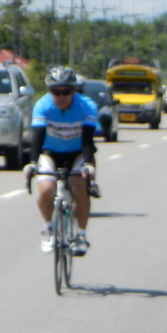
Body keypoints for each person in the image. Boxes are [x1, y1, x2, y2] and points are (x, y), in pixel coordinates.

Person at [23, 66, 100, 257]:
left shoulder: (86, 106)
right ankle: (48, 229)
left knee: (80, 185)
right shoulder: (43, 106)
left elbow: (88, 141)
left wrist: (89, 165)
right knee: (46, 189)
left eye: (66, 91)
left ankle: (81, 236)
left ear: (74, 90)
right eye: (55, 92)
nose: (61, 96)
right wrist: (32, 162)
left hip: (77, 153)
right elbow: (37, 138)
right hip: (50, 152)